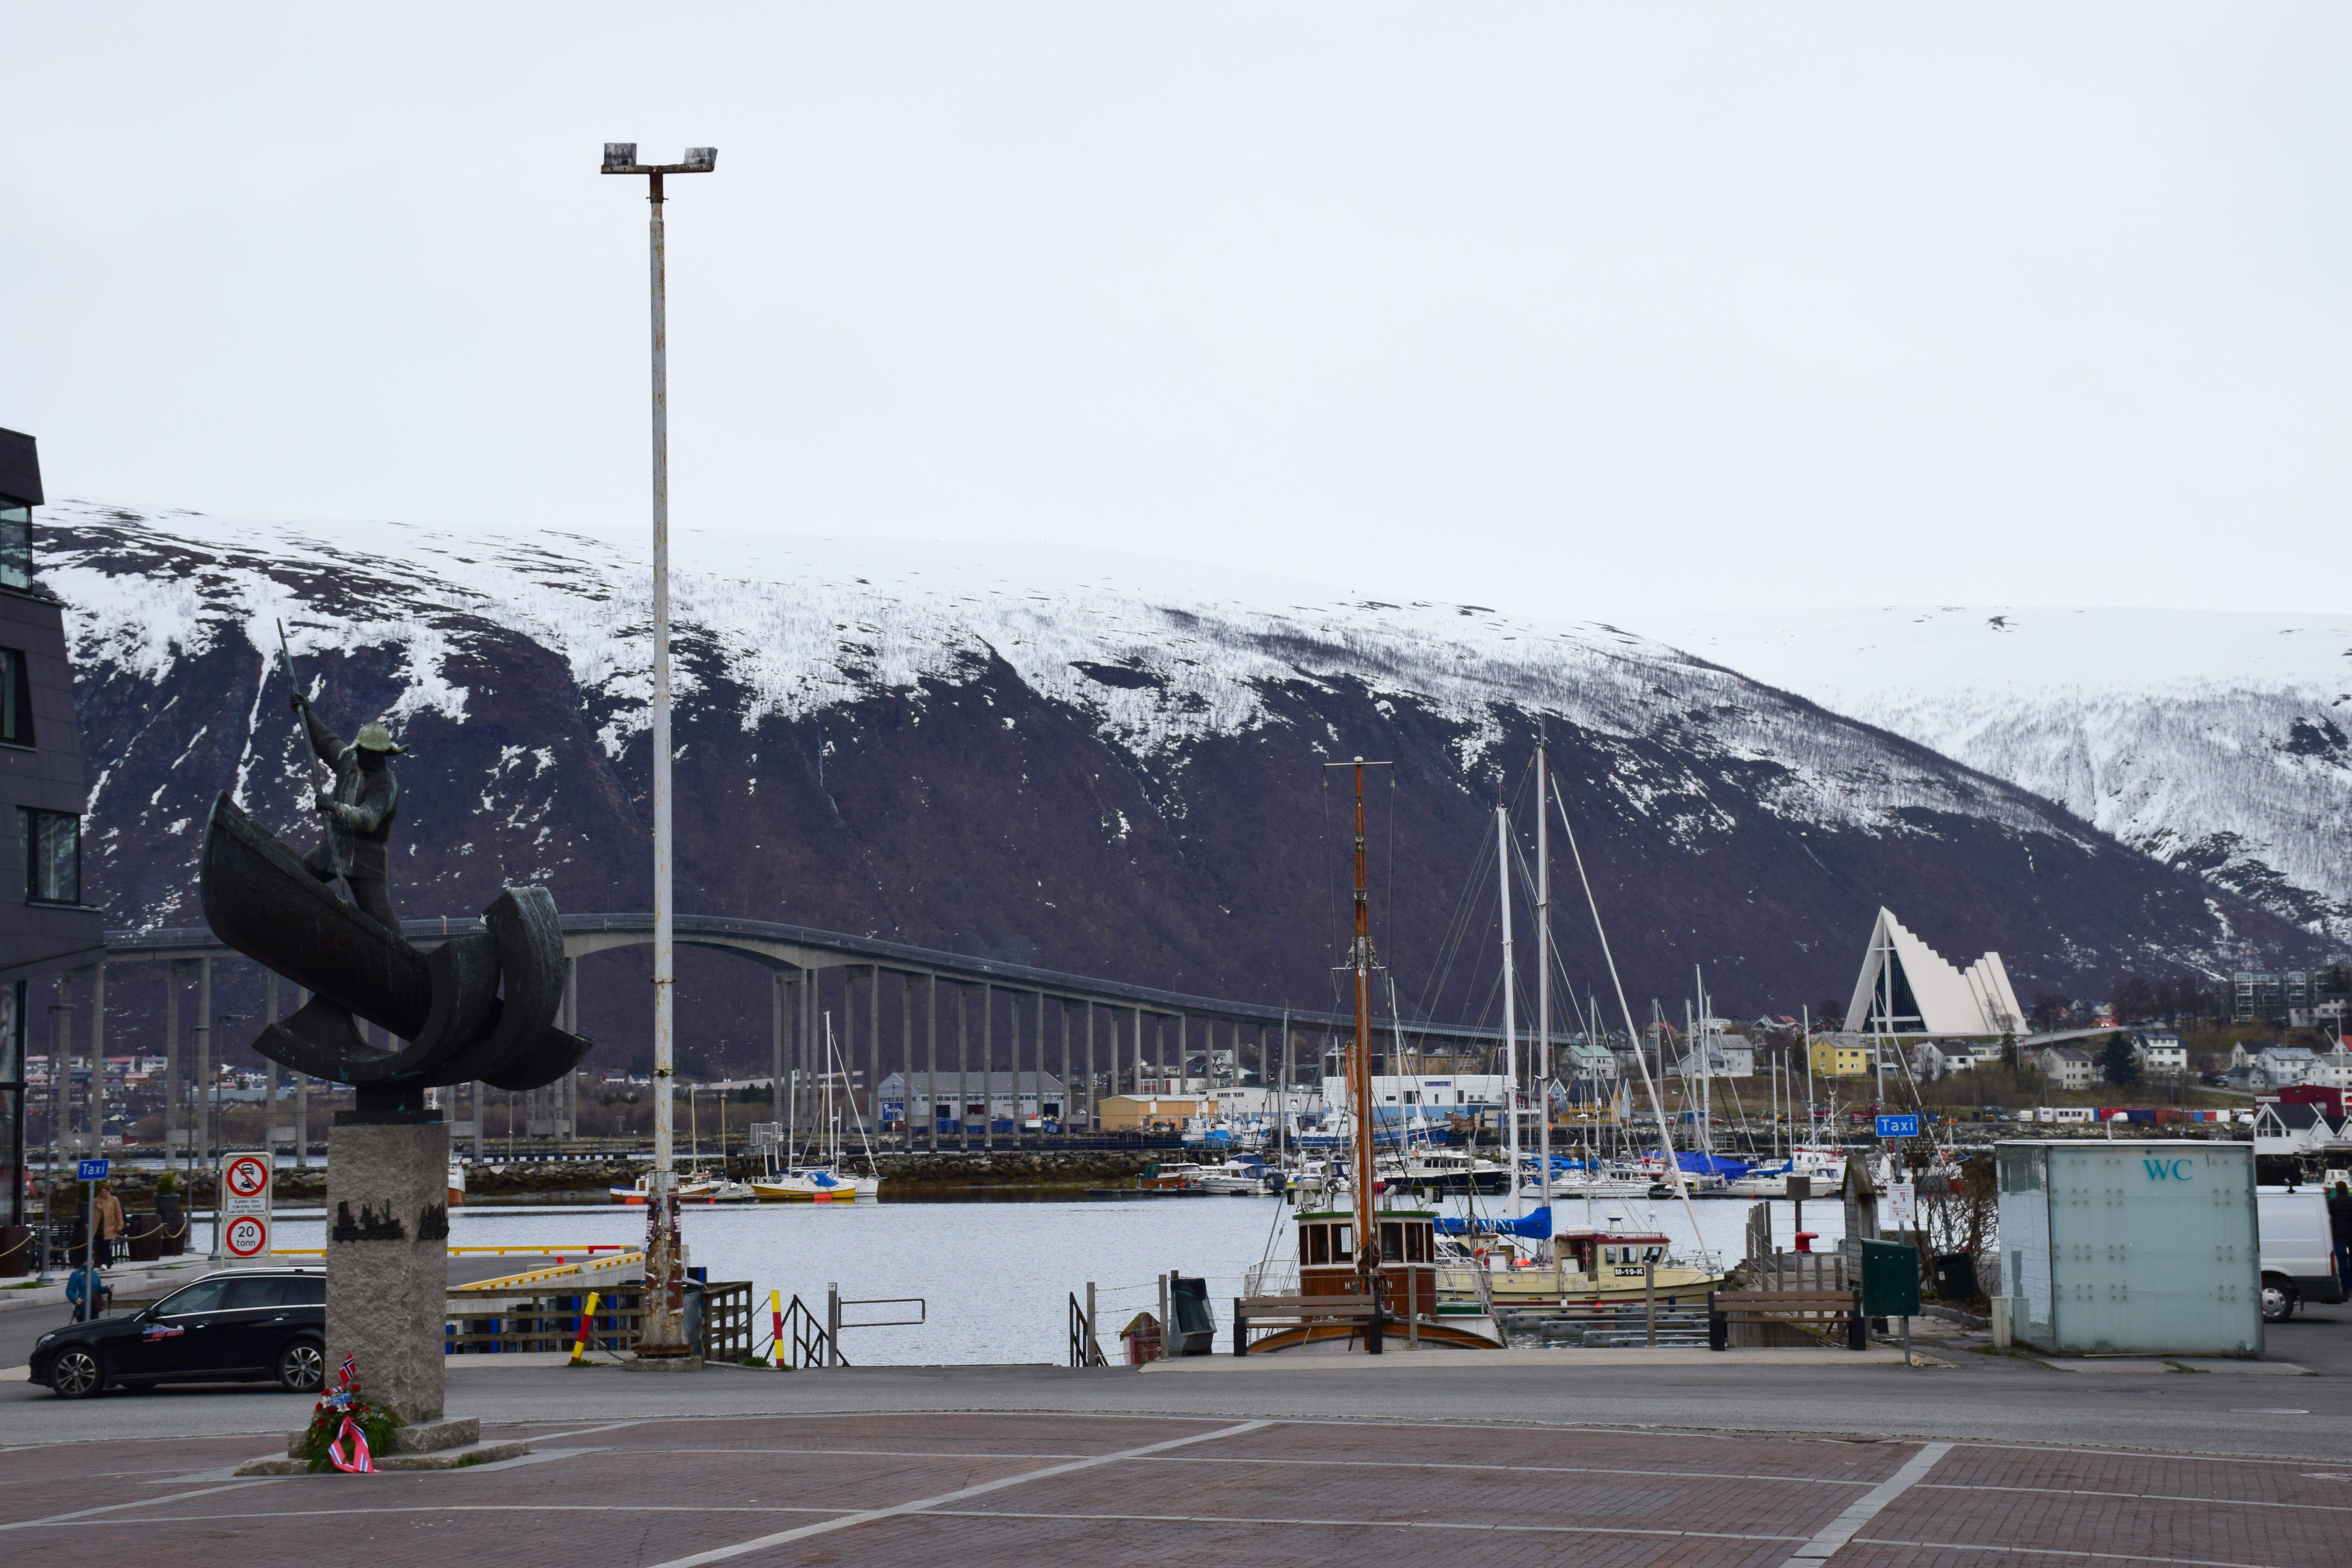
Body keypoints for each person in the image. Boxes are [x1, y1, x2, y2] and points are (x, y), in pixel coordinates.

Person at [291, 688, 404, 931]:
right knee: (294, 881)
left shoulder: (386, 783)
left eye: (379, 754)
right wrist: (307, 714)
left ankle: (407, 963)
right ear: (359, 749)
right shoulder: (348, 761)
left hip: (365, 858)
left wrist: (334, 807)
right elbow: (325, 741)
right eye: (369, 752)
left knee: (383, 921)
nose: (374, 758)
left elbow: (369, 819)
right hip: (333, 848)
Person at [92, 1180, 123, 1267]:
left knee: (106, 1245)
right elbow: (92, 1214)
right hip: (98, 1227)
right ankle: (109, 1261)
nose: (104, 1193)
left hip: (110, 1227)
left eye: (106, 1191)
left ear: (109, 1191)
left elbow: (119, 1213)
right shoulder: (95, 1201)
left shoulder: (114, 1200)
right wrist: (89, 1223)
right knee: (101, 1246)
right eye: (102, 1191)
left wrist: (120, 1225)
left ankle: (104, 1264)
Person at [2329, 1181, 2352, 1291]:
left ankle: (2346, 1287)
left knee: (2342, 1262)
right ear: (2347, 1189)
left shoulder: (2332, 1202)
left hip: (2339, 1235)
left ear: (2337, 1190)